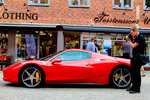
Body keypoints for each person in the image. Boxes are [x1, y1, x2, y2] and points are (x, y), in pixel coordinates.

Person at [126, 27, 146, 94]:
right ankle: (133, 87)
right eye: (130, 33)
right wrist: (130, 37)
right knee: (133, 73)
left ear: (136, 31)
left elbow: (134, 46)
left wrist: (128, 40)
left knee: (137, 74)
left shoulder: (140, 37)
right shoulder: (136, 37)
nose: (131, 35)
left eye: (132, 33)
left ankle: (137, 89)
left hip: (138, 58)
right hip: (134, 58)